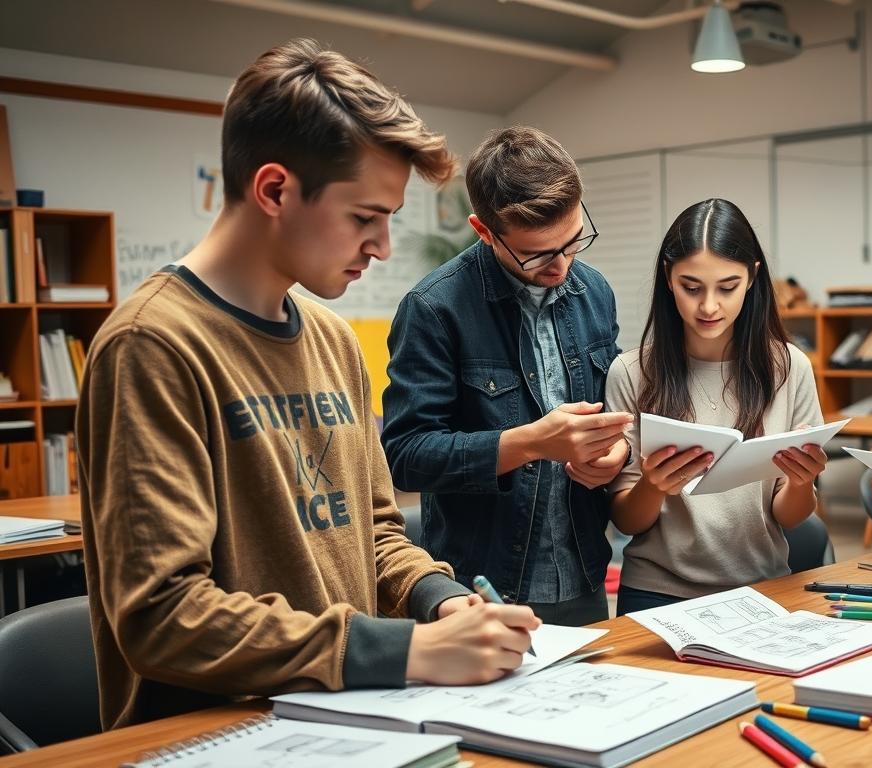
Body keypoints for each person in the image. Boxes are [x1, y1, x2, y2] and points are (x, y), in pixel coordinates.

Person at [77, 40, 539, 730]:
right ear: (273, 190)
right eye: (365, 217)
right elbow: (163, 616)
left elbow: (374, 532)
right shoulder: (153, 345)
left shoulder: (331, 341)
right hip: (219, 736)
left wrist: (439, 599)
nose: (382, 246)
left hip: (348, 722)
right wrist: (409, 649)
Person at [381, 127, 628, 627]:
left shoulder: (594, 292)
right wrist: (529, 443)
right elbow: (405, 457)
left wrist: (616, 453)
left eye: (573, 240)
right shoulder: (434, 308)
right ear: (484, 230)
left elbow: (616, 408)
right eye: (537, 254)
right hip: (480, 589)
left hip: (582, 575)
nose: (561, 266)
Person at [605, 199, 825, 615]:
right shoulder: (630, 372)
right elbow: (626, 521)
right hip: (656, 592)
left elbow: (792, 516)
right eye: (691, 287)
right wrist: (653, 486)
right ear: (668, 278)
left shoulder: (789, 367)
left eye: (727, 287)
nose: (708, 306)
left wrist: (800, 483)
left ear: (752, 278)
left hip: (763, 588)